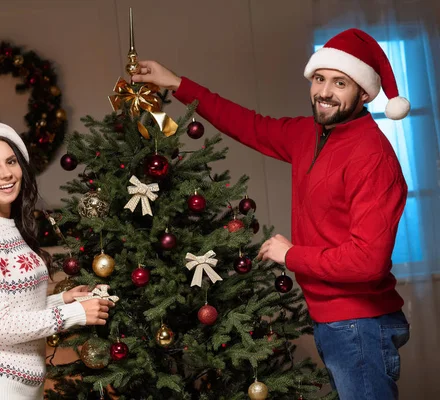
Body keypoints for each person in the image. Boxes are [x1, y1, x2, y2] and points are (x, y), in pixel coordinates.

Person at [131, 28, 410, 399]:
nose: (324, 92)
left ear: (363, 93)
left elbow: (367, 261)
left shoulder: (372, 156)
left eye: (340, 83)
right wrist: (176, 83)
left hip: (359, 323)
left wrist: (290, 254)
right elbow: (247, 124)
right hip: (334, 319)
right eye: (320, 78)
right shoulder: (307, 134)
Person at [0, 122, 115, 399]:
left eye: (11, 161)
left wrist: (64, 299)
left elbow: (15, 306)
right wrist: (74, 315)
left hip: (20, 386)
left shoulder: (9, 227)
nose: (6, 173)